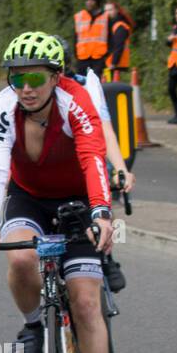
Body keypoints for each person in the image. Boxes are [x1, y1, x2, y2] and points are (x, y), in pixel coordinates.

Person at [0, 32, 120, 353]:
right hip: (29, 198)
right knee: (19, 260)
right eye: (17, 79)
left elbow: (93, 157)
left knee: (87, 301)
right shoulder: (2, 107)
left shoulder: (76, 100)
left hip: (77, 202)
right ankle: (34, 324)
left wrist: (101, 213)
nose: (27, 88)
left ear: (56, 76)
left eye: (36, 78)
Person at [59, 35, 132, 292]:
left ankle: (106, 256)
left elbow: (105, 129)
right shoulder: (31, 93)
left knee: (99, 191)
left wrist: (120, 168)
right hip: (51, 168)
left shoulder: (86, 86)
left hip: (85, 159)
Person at [73, 0, 109, 76]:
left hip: (99, 58)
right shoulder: (79, 16)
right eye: (87, 0)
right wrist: (76, 55)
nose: (88, 3)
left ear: (98, 2)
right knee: (81, 84)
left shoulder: (106, 17)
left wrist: (107, 55)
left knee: (96, 84)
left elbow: (110, 38)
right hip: (82, 57)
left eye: (92, 0)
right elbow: (75, 37)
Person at [104, 1, 133, 81]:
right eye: (106, 10)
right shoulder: (112, 25)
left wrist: (113, 63)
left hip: (117, 66)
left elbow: (119, 46)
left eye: (110, 10)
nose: (107, 13)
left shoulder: (120, 26)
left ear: (117, 10)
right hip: (113, 64)